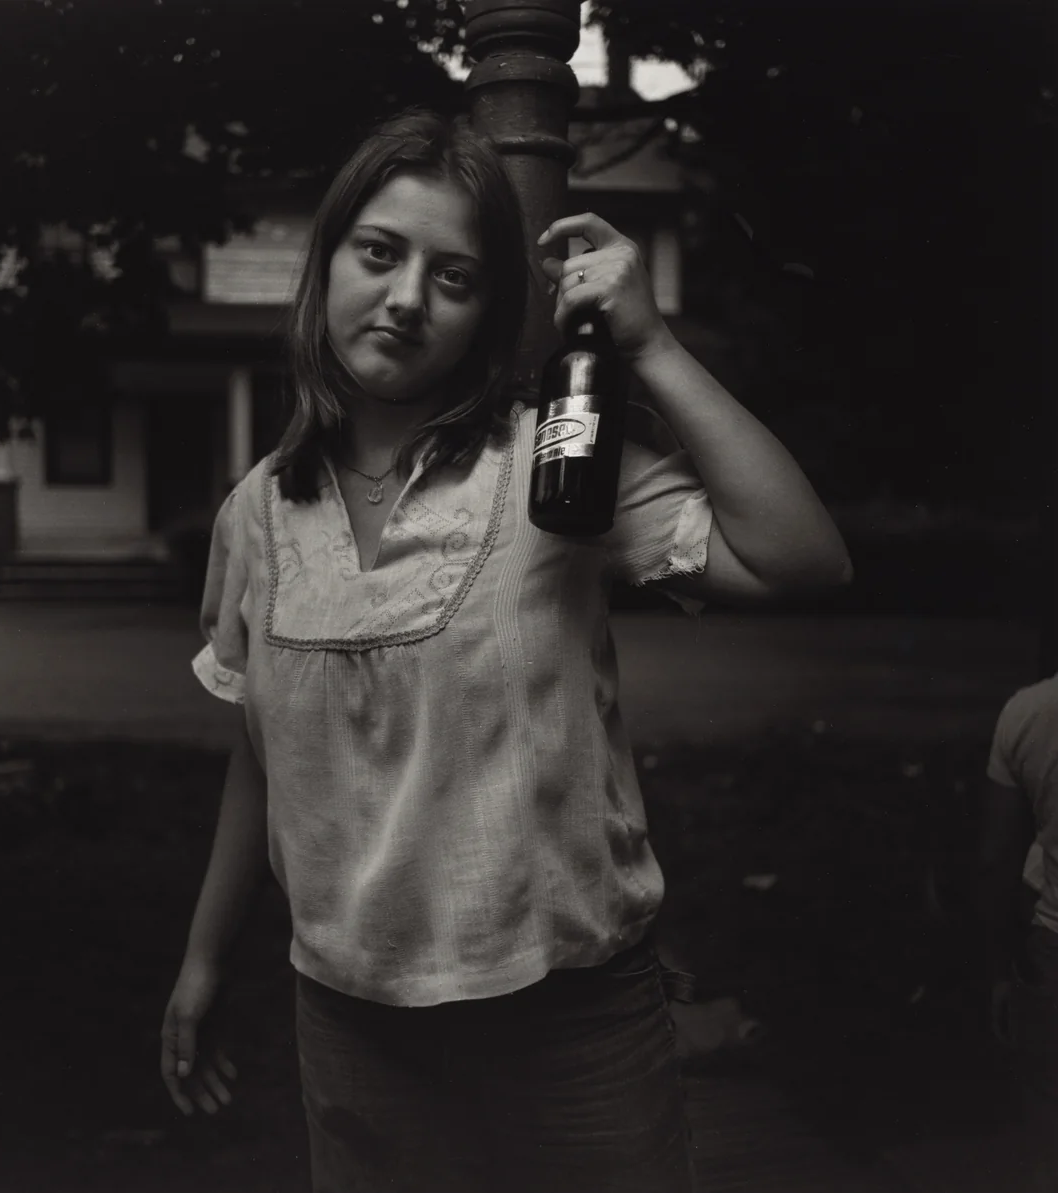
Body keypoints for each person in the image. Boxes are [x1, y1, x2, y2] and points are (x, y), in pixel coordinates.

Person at [159, 107, 852, 1193]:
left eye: (453, 276)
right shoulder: (256, 512)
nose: (403, 298)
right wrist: (202, 962)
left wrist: (651, 346)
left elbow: (803, 560)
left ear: (486, 313)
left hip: (569, 1019)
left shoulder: (553, 463)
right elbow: (262, 753)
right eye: (379, 254)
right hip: (351, 1023)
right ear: (326, 263)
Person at [975, 671, 1058, 1192]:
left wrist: (997, 972)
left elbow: (994, 862)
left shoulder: (1029, 710)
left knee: (1050, 1150)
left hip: (1052, 955)